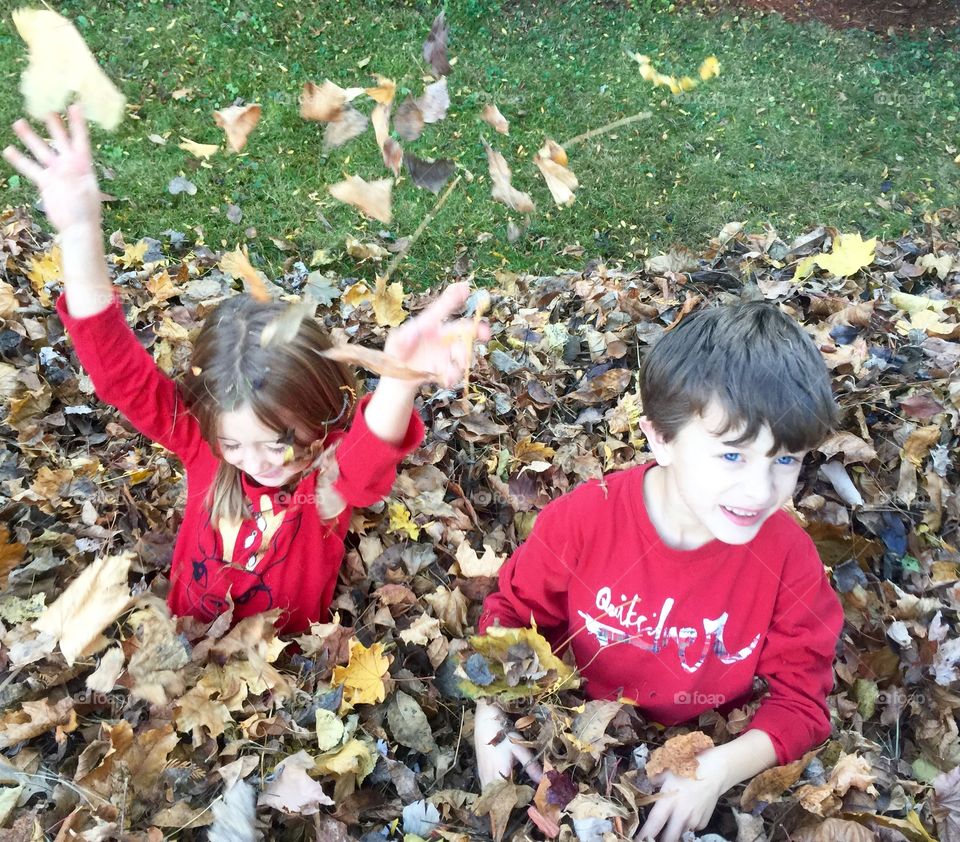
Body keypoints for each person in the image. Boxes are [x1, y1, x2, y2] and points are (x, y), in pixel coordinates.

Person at [4, 106, 488, 634]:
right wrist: (80, 233)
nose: (258, 462)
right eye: (234, 445)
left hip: (287, 669)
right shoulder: (200, 441)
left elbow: (366, 458)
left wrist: (398, 379)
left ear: (319, 410)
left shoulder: (327, 474)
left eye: (279, 441)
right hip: (185, 650)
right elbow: (119, 373)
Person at [473, 300, 845, 842]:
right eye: (733, 456)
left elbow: (801, 702)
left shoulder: (789, 559)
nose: (760, 490)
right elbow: (512, 612)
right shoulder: (583, 521)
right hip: (574, 732)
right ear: (661, 439)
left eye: (784, 459)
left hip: (706, 741)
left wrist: (719, 769)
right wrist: (494, 710)